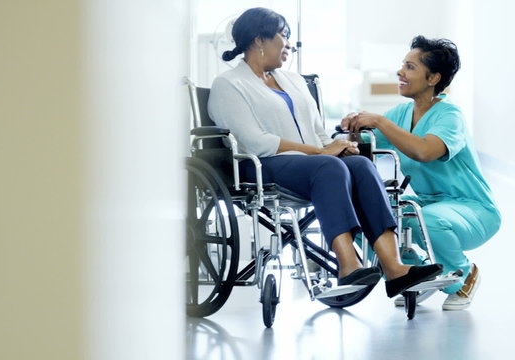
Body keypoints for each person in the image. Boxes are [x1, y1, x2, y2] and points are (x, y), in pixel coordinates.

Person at [208, 7, 443, 299]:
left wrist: (341, 146)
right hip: (260, 165)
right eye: (284, 36)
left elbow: (319, 131)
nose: (289, 44)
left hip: (310, 165)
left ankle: (394, 269)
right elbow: (256, 141)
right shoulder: (229, 84)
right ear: (259, 40)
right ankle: (348, 266)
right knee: (329, 167)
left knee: (359, 164)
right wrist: (321, 152)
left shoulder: (293, 81)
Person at [341, 35, 501, 310]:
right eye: (403, 65)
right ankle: (421, 275)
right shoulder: (402, 113)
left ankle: (463, 276)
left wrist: (378, 120)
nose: (400, 72)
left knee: (420, 220)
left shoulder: (450, 116)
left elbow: (425, 151)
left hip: (473, 209)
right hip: (431, 205)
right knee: (366, 217)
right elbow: (370, 140)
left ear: (433, 78)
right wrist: (353, 129)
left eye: (410, 67)